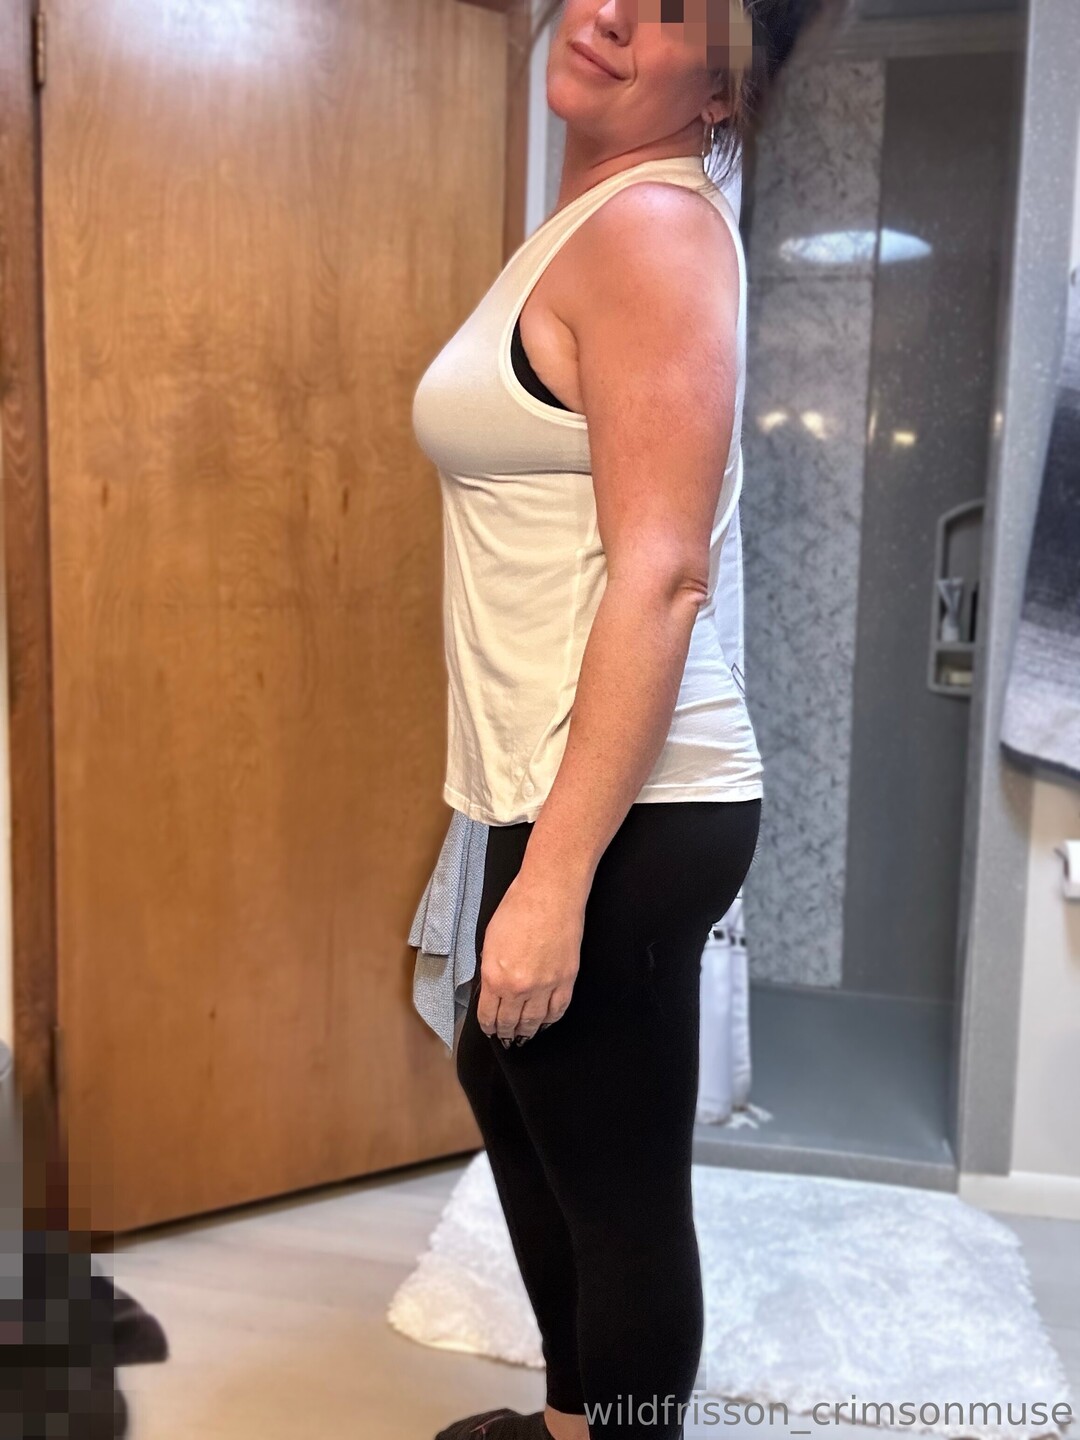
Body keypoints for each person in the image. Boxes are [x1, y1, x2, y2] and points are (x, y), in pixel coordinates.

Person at [410, 4, 839, 1436]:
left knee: (622, 1194)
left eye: (671, 12)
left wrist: (555, 879)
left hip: (632, 806)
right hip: (558, 780)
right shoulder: (588, 219)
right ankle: (571, 1423)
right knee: (513, 1084)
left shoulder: (652, 232)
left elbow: (661, 576)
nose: (606, 17)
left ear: (720, 89)